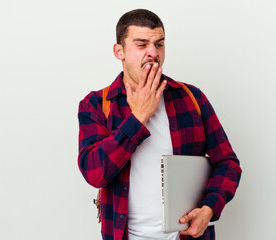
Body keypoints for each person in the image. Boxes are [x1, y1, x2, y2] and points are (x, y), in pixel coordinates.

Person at [78, 9, 242, 240]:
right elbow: (94, 173)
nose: (153, 53)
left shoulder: (192, 98)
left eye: (159, 44)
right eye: (142, 44)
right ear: (119, 51)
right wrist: (138, 119)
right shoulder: (96, 104)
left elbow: (228, 163)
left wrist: (209, 209)